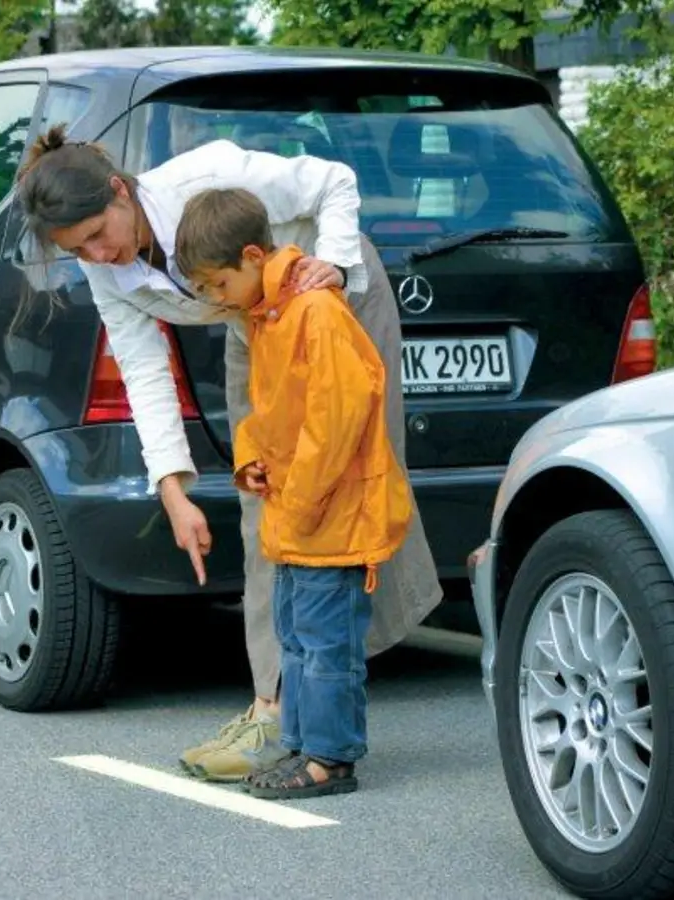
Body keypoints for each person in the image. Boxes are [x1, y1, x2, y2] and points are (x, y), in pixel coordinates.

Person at [15, 124, 443, 782]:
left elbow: (333, 181)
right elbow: (143, 365)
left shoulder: (208, 176)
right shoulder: (106, 270)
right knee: (264, 501)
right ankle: (278, 710)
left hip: (330, 301)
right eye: (80, 251)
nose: (98, 254)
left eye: (99, 233)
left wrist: (332, 264)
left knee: (346, 484)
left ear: (120, 192)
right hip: (251, 316)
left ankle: (318, 722)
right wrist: (172, 489)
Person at [175, 187, 411, 798]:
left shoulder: (315, 311)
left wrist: (301, 499)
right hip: (295, 516)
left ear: (253, 256)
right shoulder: (267, 317)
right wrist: (251, 458)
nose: (215, 301)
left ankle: (330, 759)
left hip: (328, 515)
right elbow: (267, 406)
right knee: (297, 639)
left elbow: (339, 415)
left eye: (217, 286)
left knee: (328, 644)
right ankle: (303, 747)